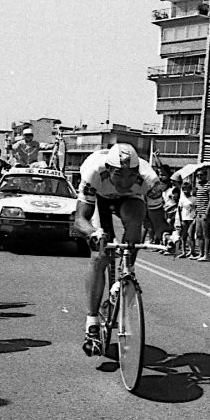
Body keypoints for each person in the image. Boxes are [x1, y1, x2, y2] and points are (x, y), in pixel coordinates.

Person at [73, 143, 157, 355]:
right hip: (99, 199)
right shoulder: (93, 172)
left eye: (131, 176)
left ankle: (124, 276)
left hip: (131, 200)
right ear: (108, 169)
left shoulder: (150, 181)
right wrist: (93, 232)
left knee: (135, 222)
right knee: (101, 255)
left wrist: (170, 235)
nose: (124, 182)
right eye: (119, 175)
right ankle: (92, 322)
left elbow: (160, 223)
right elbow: (80, 219)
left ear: (138, 173)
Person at [191, 167, 210, 262]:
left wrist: (207, 212)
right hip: (198, 213)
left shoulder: (209, 186)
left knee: (206, 234)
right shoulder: (198, 186)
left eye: (201, 175)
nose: (199, 177)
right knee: (199, 234)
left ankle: (206, 254)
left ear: (205, 175)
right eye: (198, 175)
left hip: (205, 213)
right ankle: (201, 253)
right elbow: (197, 200)